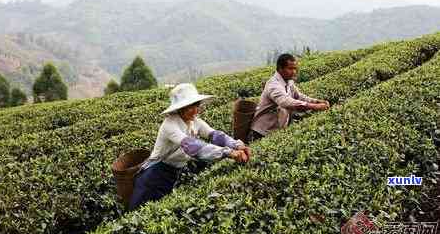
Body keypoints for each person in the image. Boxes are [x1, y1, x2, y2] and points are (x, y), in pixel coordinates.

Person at [129, 83, 252, 211]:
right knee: (140, 211)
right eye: (190, 107)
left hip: (172, 173)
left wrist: (236, 144)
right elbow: (192, 147)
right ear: (180, 108)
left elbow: (214, 135)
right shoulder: (170, 125)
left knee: (160, 210)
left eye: (197, 105)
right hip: (153, 176)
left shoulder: (194, 121)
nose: (195, 110)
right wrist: (228, 152)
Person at [249, 53, 329, 141]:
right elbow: (286, 102)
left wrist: (316, 101)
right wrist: (314, 107)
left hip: (276, 129)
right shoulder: (273, 85)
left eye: (295, 68)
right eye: (290, 69)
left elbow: (299, 96)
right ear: (280, 69)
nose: (294, 72)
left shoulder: (288, 81)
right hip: (262, 131)